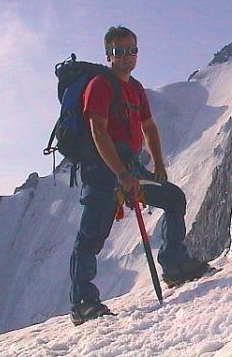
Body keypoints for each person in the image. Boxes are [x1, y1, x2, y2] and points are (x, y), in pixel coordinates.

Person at [69, 26, 209, 325]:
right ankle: (82, 302)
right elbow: (98, 131)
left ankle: (174, 263)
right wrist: (120, 173)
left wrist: (158, 163)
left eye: (131, 50)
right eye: (119, 51)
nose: (126, 56)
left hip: (129, 167)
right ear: (108, 55)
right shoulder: (99, 86)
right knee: (91, 234)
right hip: (102, 169)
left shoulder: (135, 88)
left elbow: (149, 127)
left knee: (172, 198)